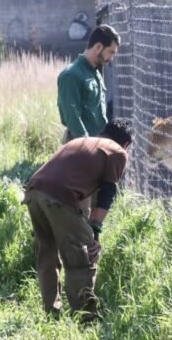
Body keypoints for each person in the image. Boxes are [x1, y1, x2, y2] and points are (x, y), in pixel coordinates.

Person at [23, 119, 133, 322]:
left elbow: (84, 196)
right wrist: (94, 233)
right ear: (126, 144)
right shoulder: (117, 152)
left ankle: (51, 314)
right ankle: (85, 317)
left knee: (47, 255)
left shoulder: (82, 142)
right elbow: (107, 192)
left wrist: (91, 230)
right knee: (82, 257)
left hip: (34, 193)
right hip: (59, 198)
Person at [57, 24, 121, 142]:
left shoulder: (95, 71)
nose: (111, 59)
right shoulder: (71, 75)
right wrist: (86, 145)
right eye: (110, 52)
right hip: (81, 146)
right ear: (98, 47)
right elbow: (72, 115)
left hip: (97, 141)